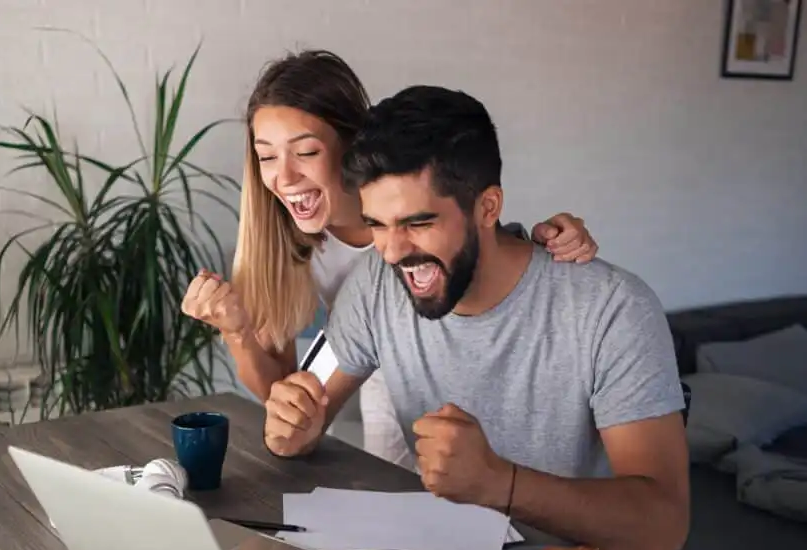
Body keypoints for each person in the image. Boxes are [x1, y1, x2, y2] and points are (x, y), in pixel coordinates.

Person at [261, 85, 690, 550]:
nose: (392, 251)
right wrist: (292, 426)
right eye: (377, 224)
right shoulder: (376, 286)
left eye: (417, 223)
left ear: (488, 208)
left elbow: (664, 530)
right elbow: (309, 407)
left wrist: (498, 483)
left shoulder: (612, 310)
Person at [181, 50, 600, 471]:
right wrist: (238, 334)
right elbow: (289, 397)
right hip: (374, 371)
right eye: (267, 156)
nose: (284, 177)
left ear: (351, 145)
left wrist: (550, 238)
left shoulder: (411, 200)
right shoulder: (286, 240)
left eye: (305, 152)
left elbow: (477, 239)